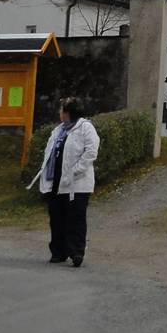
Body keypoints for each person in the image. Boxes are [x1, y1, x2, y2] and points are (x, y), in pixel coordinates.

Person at [28, 97, 99, 267]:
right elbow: (50, 154)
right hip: (56, 182)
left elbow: (91, 151)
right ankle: (58, 251)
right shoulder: (58, 131)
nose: (59, 113)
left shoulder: (85, 128)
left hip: (77, 184)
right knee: (56, 217)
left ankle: (76, 252)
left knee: (75, 218)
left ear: (68, 112)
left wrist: (75, 171)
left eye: (61, 110)